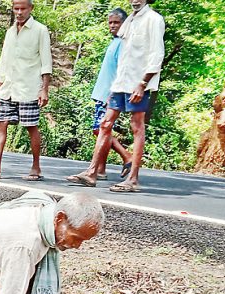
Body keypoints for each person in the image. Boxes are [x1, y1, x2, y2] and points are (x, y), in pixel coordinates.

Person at [68, 0, 164, 192]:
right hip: (120, 83)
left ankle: (133, 179)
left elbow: (157, 54)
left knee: (136, 126)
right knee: (105, 124)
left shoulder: (154, 19)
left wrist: (143, 83)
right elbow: (125, 55)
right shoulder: (130, 20)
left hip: (138, 83)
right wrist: (114, 85)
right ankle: (92, 172)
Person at [0, 0, 52, 181]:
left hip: (29, 87)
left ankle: (36, 167)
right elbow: (4, 62)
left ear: (31, 9)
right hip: (8, 87)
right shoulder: (10, 32)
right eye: (16, 8)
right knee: (0, 123)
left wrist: (44, 89)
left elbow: (46, 62)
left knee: (30, 126)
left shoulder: (40, 30)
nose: (19, 12)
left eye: (23, 8)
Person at [70, 8, 132, 183]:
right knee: (101, 131)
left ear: (124, 24)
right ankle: (101, 169)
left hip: (110, 94)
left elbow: (122, 71)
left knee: (100, 129)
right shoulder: (115, 41)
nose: (112, 25)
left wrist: (112, 94)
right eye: (110, 22)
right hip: (102, 93)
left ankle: (126, 156)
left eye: (116, 22)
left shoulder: (123, 43)